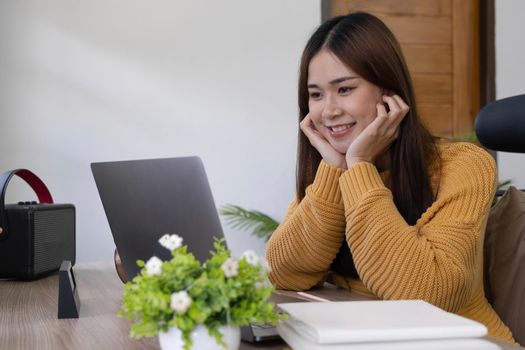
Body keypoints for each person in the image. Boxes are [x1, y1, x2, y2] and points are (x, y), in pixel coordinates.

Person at [265, 12, 515, 343]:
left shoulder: (464, 164)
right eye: (316, 95)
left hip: (456, 342)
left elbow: (426, 291)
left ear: (388, 92)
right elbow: (283, 273)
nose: (328, 110)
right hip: (363, 338)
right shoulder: (332, 170)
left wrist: (359, 164)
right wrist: (338, 169)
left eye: (345, 89)